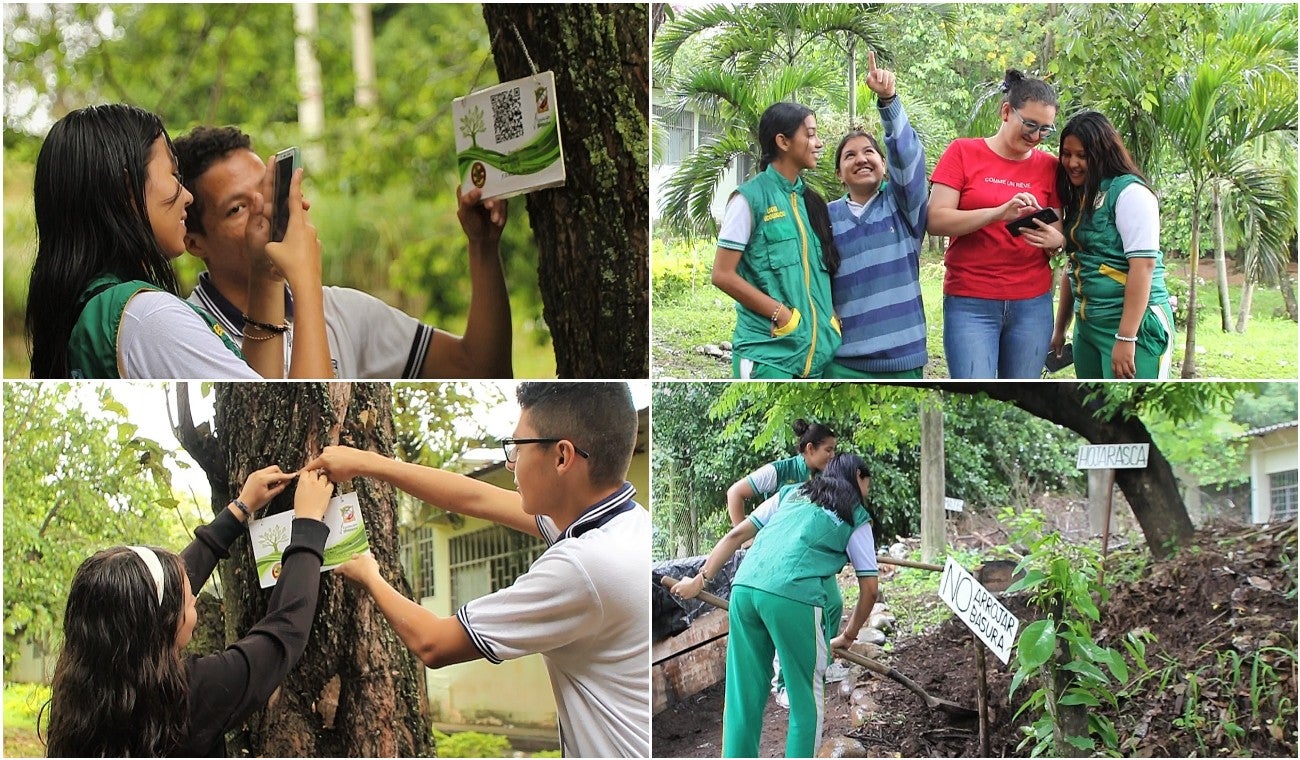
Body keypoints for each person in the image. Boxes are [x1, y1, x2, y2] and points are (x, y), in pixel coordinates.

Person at [304, 383, 648, 758]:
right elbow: (474, 497)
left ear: (562, 457)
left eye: (518, 447)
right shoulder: (621, 524)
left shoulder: (583, 567)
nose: (510, 463)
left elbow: (433, 643)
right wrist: (368, 463)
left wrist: (369, 575)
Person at [174, 126, 513, 379]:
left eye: (267, 190)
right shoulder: (185, 335)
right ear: (194, 242)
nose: (265, 212)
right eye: (237, 209)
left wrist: (483, 246)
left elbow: (480, 368)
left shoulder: (344, 313)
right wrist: (302, 278)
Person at [44, 465, 334, 757]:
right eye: (188, 602)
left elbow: (153, 595)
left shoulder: (80, 693)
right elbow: (284, 633)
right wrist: (308, 524)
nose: (194, 598)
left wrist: (238, 509)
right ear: (165, 624)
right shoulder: (188, 695)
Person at [25, 103, 331, 379]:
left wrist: (265, 276)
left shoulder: (98, 308)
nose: (187, 196)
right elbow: (294, 426)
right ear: (127, 188)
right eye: (173, 174)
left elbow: (258, 403)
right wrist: (305, 279)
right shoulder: (150, 319)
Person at [671, 453, 879, 758]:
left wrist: (699, 579)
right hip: (792, 597)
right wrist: (848, 636)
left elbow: (737, 533)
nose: (868, 490)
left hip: (744, 589)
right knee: (805, 701)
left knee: (743, 697)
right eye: (868, 482)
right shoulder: (856, 515)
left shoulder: (791, 493)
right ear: (859, 477)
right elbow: (870, 590)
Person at [928, 70, 1065, 378]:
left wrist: (1055, 241)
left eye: (1045, 130)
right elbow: (936, 220)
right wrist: (997, 213)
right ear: (1006, 111)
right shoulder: (963, 152)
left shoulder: (1050, 167)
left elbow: (1060, 232)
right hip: (971, 301)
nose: (1034, 136)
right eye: (1029, 124)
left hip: (1032, 302)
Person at [712, 101, 842, 379]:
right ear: (783, 141)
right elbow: (722, 275)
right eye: (810, 134)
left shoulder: (814, 203)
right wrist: (781, 315)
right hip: (767, 355)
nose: (818, 143)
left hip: (815, 360)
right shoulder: (749, 199)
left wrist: (830, 322)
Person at [725, 419, 848, 706]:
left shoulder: (825, 479)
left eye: (834, 450)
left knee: (832, 604)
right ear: (809, 448)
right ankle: (782, 684)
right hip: (775, 560)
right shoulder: (779, 472)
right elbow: (735, 493)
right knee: (788, 615)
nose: (833, 455)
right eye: (828, 450)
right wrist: (747, 538)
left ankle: (820, 663)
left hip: (807, 557)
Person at [826, 51, 930, 379]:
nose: (861, 159)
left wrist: (888, 100)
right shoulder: (824, 218)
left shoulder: (903, 209)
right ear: (839, 174)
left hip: (903, 361)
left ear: (885, 167)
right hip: (843, 362)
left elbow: (908, 156)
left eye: (870, 152)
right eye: (850, 155)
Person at [1050, 111, 1174, 379]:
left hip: (1132, 328)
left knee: (1130, 406)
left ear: (1102, 153)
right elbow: (1075, 266)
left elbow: (1144, 267)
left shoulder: (1131, 194)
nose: (1072, 163)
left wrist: (1126, 338)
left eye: (1082, 155)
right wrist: (1060, 329)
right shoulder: (1081, 196)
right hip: (1088, 327)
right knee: (1092, 408)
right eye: (1067, 154)